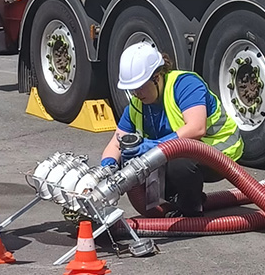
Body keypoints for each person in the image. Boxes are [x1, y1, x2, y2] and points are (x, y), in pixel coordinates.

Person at [101, 42, 243, 216]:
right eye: (132, 88)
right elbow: (116, 143)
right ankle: (174, 202)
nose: (136, 93)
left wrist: (154, 146)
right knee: (135, 161)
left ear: (157, 76)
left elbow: (197, 128)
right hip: (183, 155)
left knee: (178, 162)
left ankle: (192, 212)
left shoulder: (185, 84)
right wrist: (105, 170)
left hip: (219, 153)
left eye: (140, 85)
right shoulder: (137, 105)